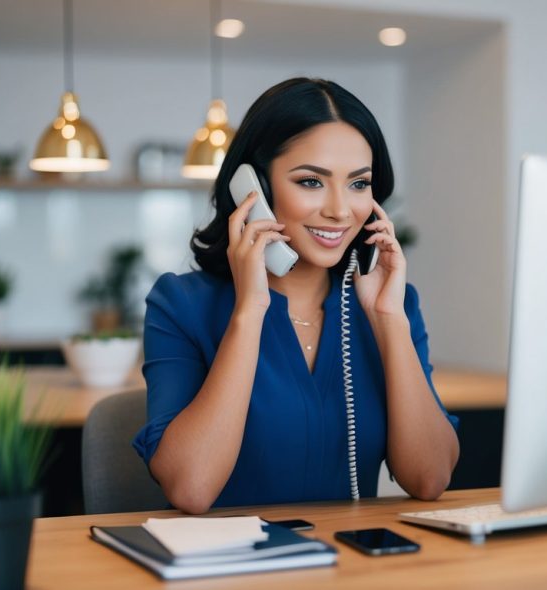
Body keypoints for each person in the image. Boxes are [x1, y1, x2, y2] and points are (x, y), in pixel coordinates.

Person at [132, 78, 459, 514]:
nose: (341, 211)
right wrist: (250, 310)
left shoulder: (390, 305)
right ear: (254, 189)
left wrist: (389, 319)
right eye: (311, 182)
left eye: (359, 184)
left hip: (351, 569)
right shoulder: (180, 305)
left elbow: (430, 478)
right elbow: (191, 488)